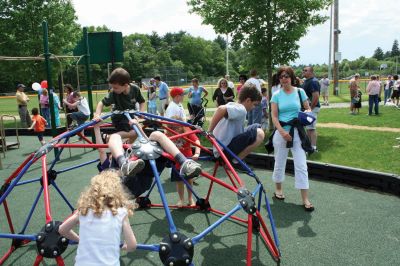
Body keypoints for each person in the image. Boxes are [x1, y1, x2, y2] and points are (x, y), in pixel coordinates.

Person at [58, 171, 137, 265]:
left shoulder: (83, 211)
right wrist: (126, 247)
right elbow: (132, 245)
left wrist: (79, 239)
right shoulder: (121, 213)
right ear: (117, 193)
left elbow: (62, 230)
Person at [270, 66, 314, 212]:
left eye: (287, 76)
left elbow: (308, 109)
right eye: (281, 76)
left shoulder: (300, 92)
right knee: (279, 161)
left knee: (301, 164)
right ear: (279, 79)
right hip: (282, 132)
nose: (284, 78)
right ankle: (278, 190)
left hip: (297, 132)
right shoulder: (276, 95)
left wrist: (307, 113)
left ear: (292, 77)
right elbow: (274, 116)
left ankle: (305, 198)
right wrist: (282, 132)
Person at [209, 83, 264, 172]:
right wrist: (209, 131)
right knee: (260, 134)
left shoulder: (233, 104)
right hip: (225, 152)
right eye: (254, 104)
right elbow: (221, 109)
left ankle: (236, 159)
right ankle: (236, 161)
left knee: (257, 126)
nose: (254, 108)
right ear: (248, 100)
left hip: (221, 148)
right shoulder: (241, 110)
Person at [94, 68, 146, 144]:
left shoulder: (135, 89)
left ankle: (126, 145)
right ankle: (109, 137)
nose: (113, 89)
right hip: (119, 117)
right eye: (112, 87)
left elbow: (142, 101)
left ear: (125, 85)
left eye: (115, 87)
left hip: (131, 116)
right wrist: (97, 115)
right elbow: (101, 103)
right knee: (135, 132)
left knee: (137, 131)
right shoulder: (113, 93)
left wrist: (141, 112)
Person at [167, 116, 201, 207]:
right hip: (176, 161)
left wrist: (197, 153)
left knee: (189, 180)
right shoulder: (168, 134)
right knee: (179, 181)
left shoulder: (187, 130)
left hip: (187, 161)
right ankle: (181, 199)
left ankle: (190, 198)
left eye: (177, 127)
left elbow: (196, 141)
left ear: (182, 126)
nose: (176, 129)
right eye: (173, 128)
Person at [302, 66, 320, 152]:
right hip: (308, 108)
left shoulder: (313, 81)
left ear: (311, 72)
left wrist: (310, 109)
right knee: (308, 128)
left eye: (306, 70)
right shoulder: (306, 81)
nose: (303, 72)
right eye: (303, 70)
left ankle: (313, 147)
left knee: (311, 128)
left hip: (312, 108)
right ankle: (309, 146)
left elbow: (316, 97)